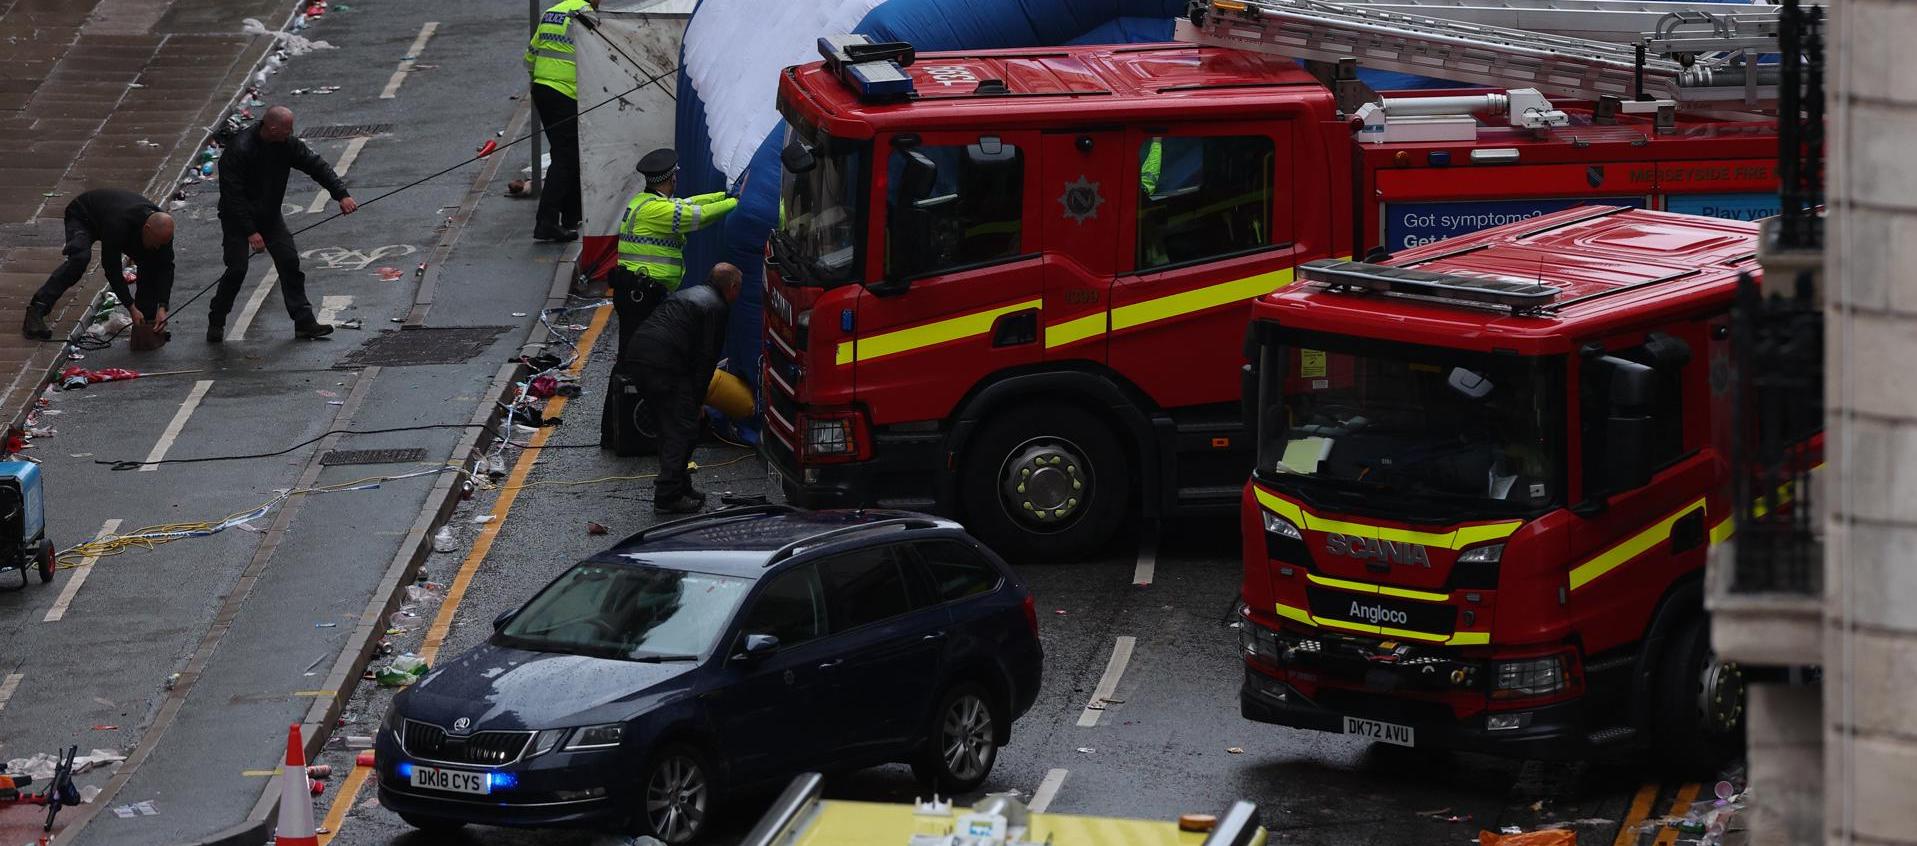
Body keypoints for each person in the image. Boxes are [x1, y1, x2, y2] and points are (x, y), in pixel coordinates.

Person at [207, 106, 357, 342]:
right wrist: (250, 231)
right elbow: (232, 195)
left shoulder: (286, 144)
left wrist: (341, 194)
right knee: (237, 269)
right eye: (287, 129)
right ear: (273, 127)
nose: (291, 133)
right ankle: (217, 319)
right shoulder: (239, 150)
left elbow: (314, 165)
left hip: (269, 216)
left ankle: (304, 321)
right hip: (237, 219)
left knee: (289, 261)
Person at [621, 263, 742, 514]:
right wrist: (698, 402)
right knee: (683, 428)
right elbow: (705, 360)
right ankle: (667, 495)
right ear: (731, 287)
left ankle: (680, 485)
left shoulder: (692, 293)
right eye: (738, 288)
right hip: (664, 364)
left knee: (670, 425)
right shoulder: (716, 308)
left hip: (639, 356)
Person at [609, 148, 742, 359]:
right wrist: (736, 202)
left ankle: (632, 390)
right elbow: (699, 215)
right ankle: (626, 391)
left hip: (639, 292)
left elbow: (691, 203)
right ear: (672, 178)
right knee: (635, 356)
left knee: (638, 353)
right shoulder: (656, 210)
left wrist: (724, 195)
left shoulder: (645, 202)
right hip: (641, 294)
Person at [22, 189, 175, 340]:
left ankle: (146, 322)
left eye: (161, 244)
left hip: (114, 219)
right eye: (156, 243)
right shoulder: (118, 224)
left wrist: (162, 306)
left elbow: (166, 267)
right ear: (147, 229)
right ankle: (37, 309)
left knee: (152, 260)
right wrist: (130, 306)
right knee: (79, 258)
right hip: (83, 215)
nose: (158, 247)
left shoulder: (162, 231)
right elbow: (111, 268)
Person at [525, 0, 600, 242]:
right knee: (565, 158)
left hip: (543, 89)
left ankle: (571, 215)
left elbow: (530, 56)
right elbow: (598, 58)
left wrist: (541, 79)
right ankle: (546, 222)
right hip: (566, 93)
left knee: (568, 153)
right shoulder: (585, 14)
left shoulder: (551, 12)